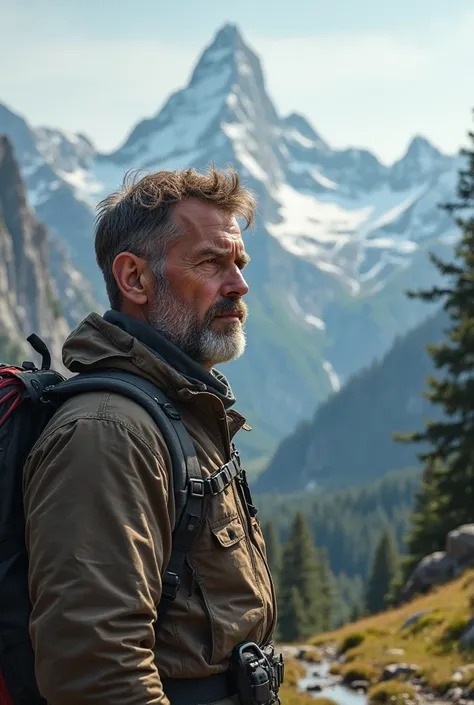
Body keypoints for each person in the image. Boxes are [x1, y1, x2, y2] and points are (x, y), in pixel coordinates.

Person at [22, 165, 279, 705]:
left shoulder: (179, 408)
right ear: (134, 279)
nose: (239, 284)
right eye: (211, 262)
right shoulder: (109, 433)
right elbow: (96, 673)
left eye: (239, 262)